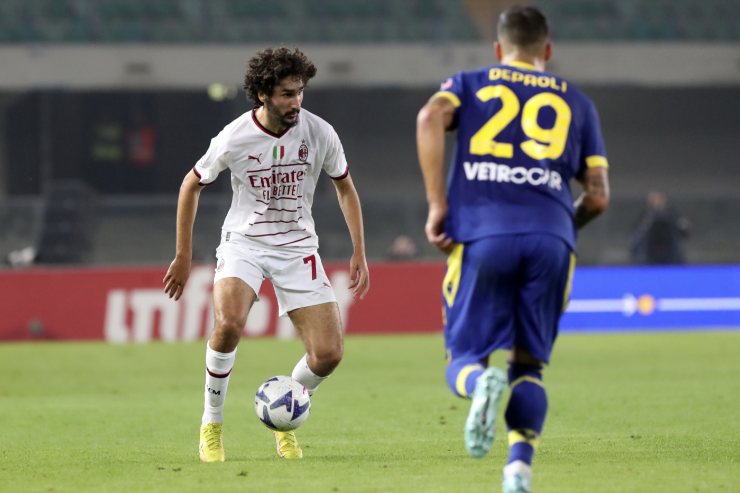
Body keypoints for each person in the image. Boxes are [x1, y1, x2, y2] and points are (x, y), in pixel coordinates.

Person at [416, 6, 609, 493]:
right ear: (548, 49)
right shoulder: (579, 103)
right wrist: (559, 227)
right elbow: (598, 195)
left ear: (499, 48)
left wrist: (437, 205)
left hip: (485, 234)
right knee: (528, 366)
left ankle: (479, 384)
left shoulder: (469, 83)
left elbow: (430, 117)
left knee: (464, 356)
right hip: (551, 240)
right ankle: (518, 469)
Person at [163, 47, 370, 463]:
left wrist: (359, 251)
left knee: (328, 354)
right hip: (245, 243)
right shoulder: (234, 137)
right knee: (228, 324)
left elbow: (344, 187)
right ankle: (211, 424)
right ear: (263, 94)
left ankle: (285, 415)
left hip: (297, 248)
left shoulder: (319, 133)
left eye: (300, 92)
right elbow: (191, 184)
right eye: (287, 94)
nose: (296, 102)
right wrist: (183, 255)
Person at [630, 191, 690, 264]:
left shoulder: (671, 214)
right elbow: (637, 233)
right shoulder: (645, 215)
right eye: (654, 200)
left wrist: (683, 226)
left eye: (658, 200)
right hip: (649, 252)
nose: (657, 202)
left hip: (670, 252)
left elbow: (683, 232)